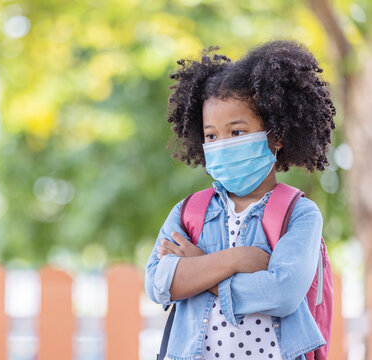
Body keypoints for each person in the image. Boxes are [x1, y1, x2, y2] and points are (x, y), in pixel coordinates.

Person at [144, 39, 336, 360]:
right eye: (211, 136)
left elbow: (282, 292)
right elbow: (158, 283)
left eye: (236, 133)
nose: (221, 144)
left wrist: (198, 269)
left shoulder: (299, 214)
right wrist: (236, 260)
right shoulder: (189, 211)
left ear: (274, 135)